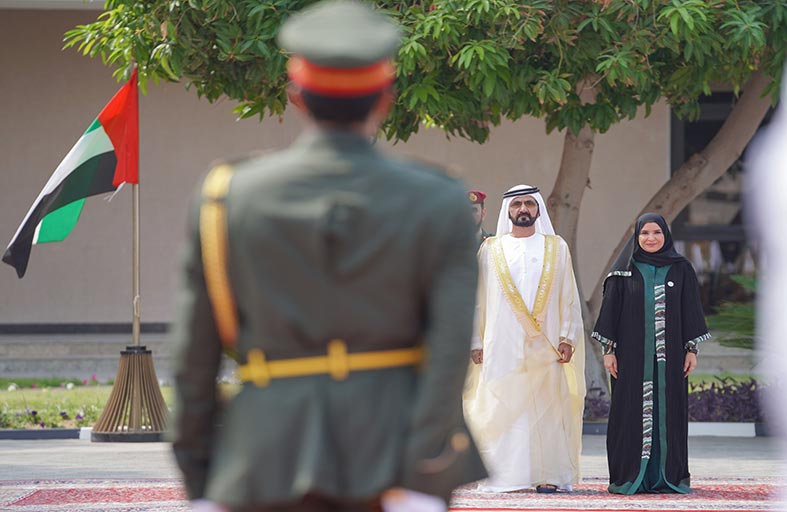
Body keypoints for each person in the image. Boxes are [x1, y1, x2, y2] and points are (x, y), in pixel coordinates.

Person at [170, 1, 487, 511]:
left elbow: (193, 358)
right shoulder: (439, 197)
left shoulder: (226, 197)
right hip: (393, 454)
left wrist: (203, 473)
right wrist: (424, 466)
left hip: (262, 458)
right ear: (385, 98)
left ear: (295, 96)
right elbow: (449, 352)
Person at [463, 184, 586, 494]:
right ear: (508, 210)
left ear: (538, 209)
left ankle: (548, 474)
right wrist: (476, 341)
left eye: (529, 204)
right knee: (503, 407)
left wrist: (567, 336)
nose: (523, 209)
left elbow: (569, 295)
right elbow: (478, 300)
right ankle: (505, 476)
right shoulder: (491, 249)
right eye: (517, 204)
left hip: (546, 344)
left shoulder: (556, 247)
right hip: (501, 343)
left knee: (546, 408)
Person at [591, 212, 710, 495]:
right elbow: (610, 313)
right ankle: (630, 475)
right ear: (637, 236)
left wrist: (691, 350)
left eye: (657, 232)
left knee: (670, 413)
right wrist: (609, 351)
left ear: (665, 235)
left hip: (672, 360)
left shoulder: (681, 269)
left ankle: (666, 476)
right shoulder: (624, 271)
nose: (651, 238)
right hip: (631, 359)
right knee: (628, 413)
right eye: (645, 233)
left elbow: (691, 309)